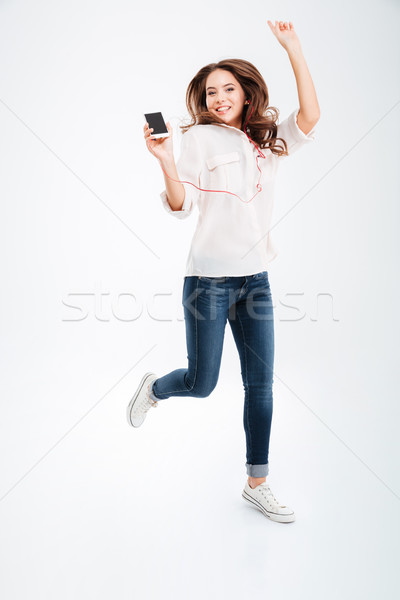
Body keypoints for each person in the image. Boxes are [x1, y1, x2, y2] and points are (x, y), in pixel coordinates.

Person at [127, 20, 320, 523]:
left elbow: (310, 118)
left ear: (246, 94)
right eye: (210, 91)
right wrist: (165, 159)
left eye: (227, 88)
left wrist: (294, 48)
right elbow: (180, 204)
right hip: (207, 283)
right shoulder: (195, 140)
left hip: (256, 279)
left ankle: (257, 483)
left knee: (261, 386)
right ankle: (154, 388)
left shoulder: (267, 141)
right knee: (202, 381)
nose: (218, 97)